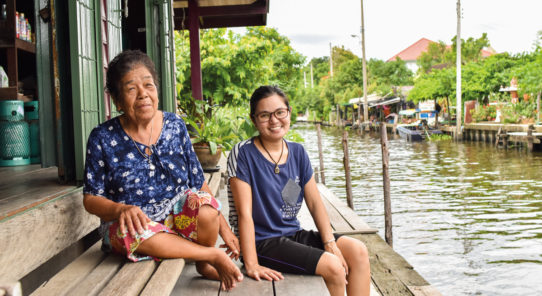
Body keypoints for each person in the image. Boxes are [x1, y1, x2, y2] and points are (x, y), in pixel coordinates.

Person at [82, 50, 243, 291]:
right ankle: (210, 255)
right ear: (117, 101)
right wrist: (121, 209)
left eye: (148, 85)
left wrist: (225, 230)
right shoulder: (102, 137)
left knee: (208, 209)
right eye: (131, 89)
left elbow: (198, 183)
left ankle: (201, 260)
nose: (143, 94)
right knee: (131, 233)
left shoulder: (175, 126)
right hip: (135, 224)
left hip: (176, 215)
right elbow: (90, 198)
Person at [227, 85, 371, 296]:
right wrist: (251, 263)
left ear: (289, 112)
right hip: (262, 243)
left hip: (292, 234)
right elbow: (244, 214)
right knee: (333, 267)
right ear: (254, 120)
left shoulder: (298, 152)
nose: (274, 121)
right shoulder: (243, 153)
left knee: (358, 251)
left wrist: (329, 242)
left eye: (279, 113)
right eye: (265, 115)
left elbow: (314, 203)